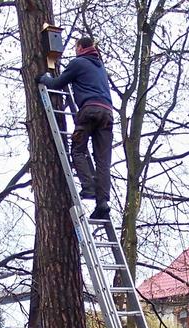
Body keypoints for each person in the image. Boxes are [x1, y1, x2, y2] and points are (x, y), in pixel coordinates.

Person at [38, 37, 114, 220]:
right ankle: (102, 203)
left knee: (78, 150)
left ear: (80, 47)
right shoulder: (101, 67)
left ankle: (88, 187)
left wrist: (42, 79)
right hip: (107, 114)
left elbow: (57, 84)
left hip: (89, 111)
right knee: (103, 161)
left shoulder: (78, 63)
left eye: (75, 47)